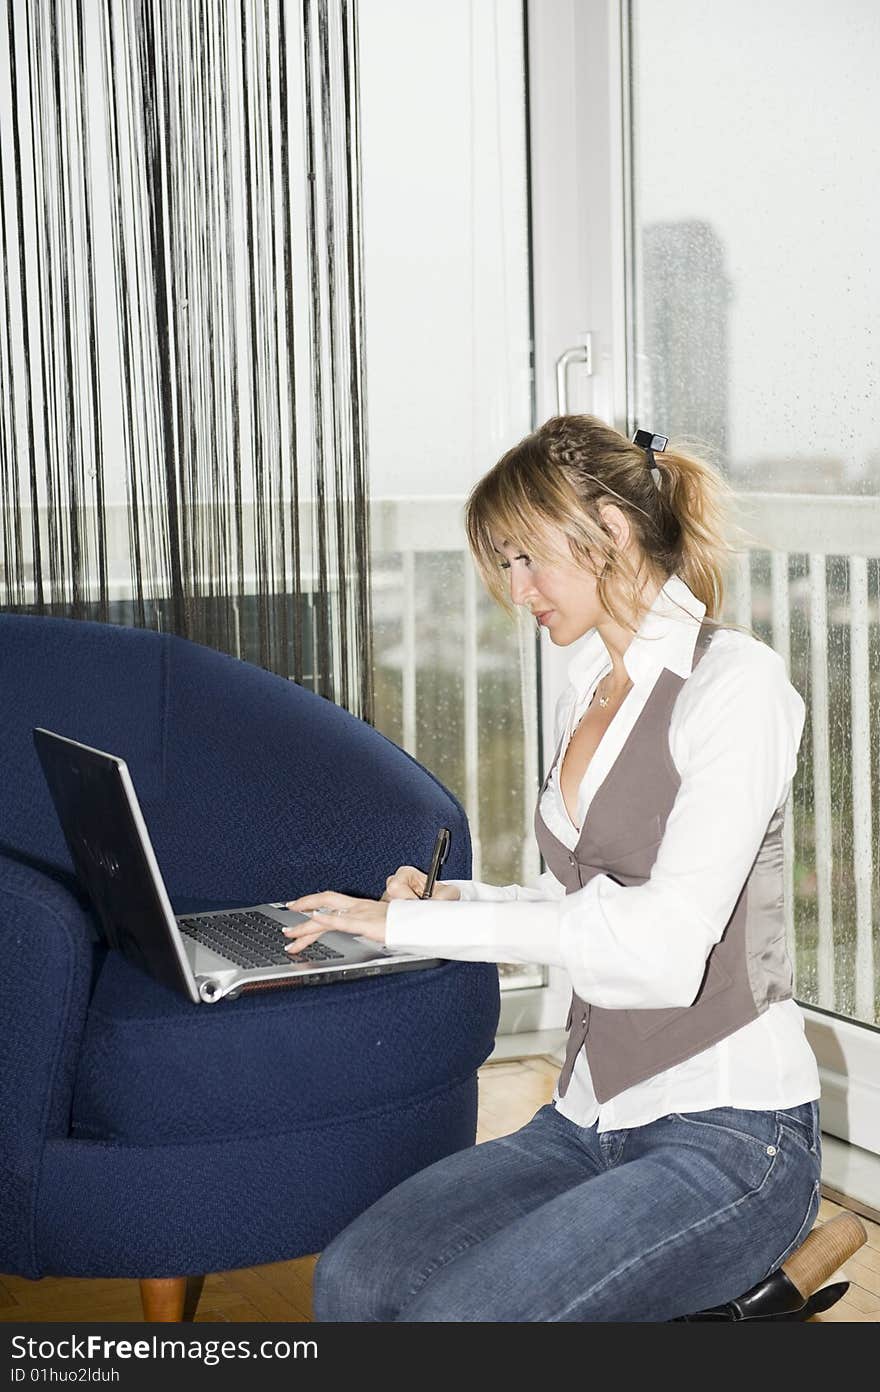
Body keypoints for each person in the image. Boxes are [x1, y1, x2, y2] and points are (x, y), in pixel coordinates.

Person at [283, 414, 822, 1323]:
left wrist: (413, 926)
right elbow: (579, 903)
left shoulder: (739, 687)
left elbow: (656, 950)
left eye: (527, 556)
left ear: (610, 531)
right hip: (585, 1118)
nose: (514, 587)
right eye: (502, 563)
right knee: (353, 1283)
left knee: (460, 1323)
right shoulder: (589, 687)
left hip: (732, 1132)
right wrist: (451, 898)